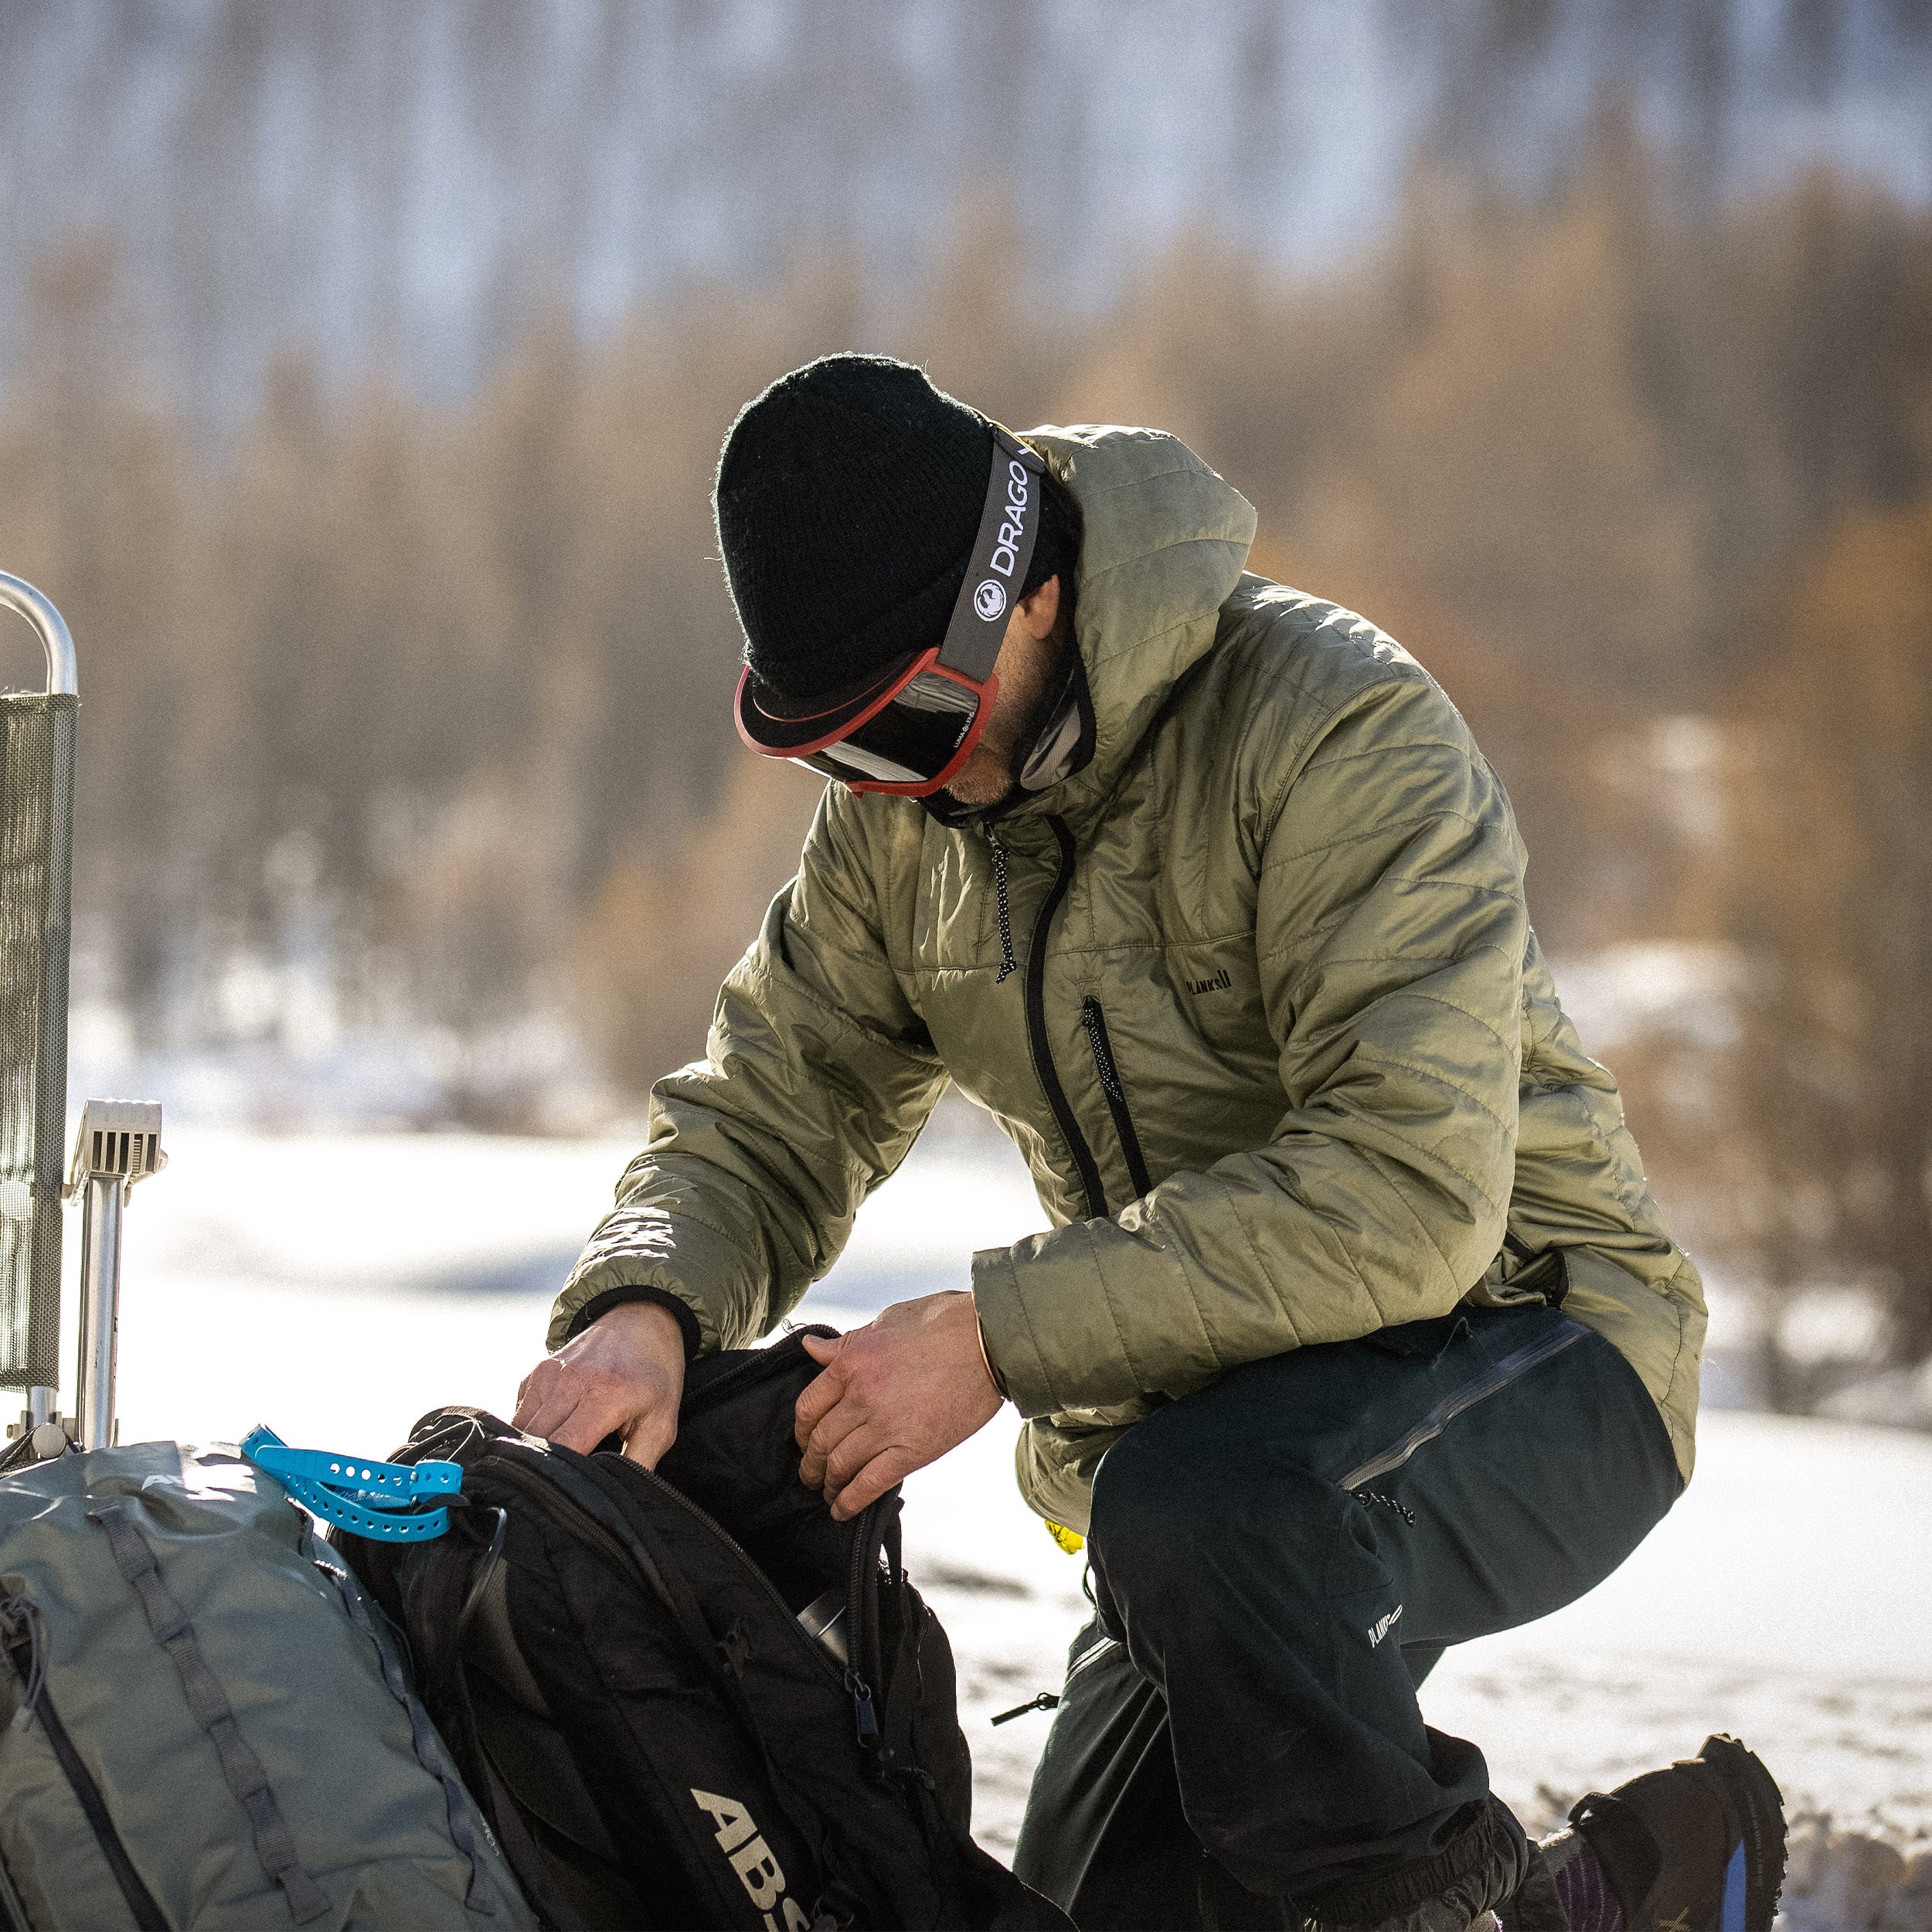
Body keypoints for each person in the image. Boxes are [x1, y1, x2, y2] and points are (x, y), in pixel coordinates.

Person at [512, 356, 1784, 1931]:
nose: (896, 783)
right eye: (839, 754)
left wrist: (994, 1333)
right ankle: (1660, 1874)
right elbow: (771, 1098)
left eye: (909, 722)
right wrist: (643, 1304)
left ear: (1025, 592)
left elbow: (1407, 1189)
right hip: (1196, 1464)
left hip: (1535, 1341)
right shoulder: (904, 826)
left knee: (1209, 1515)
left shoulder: (1331, 726)